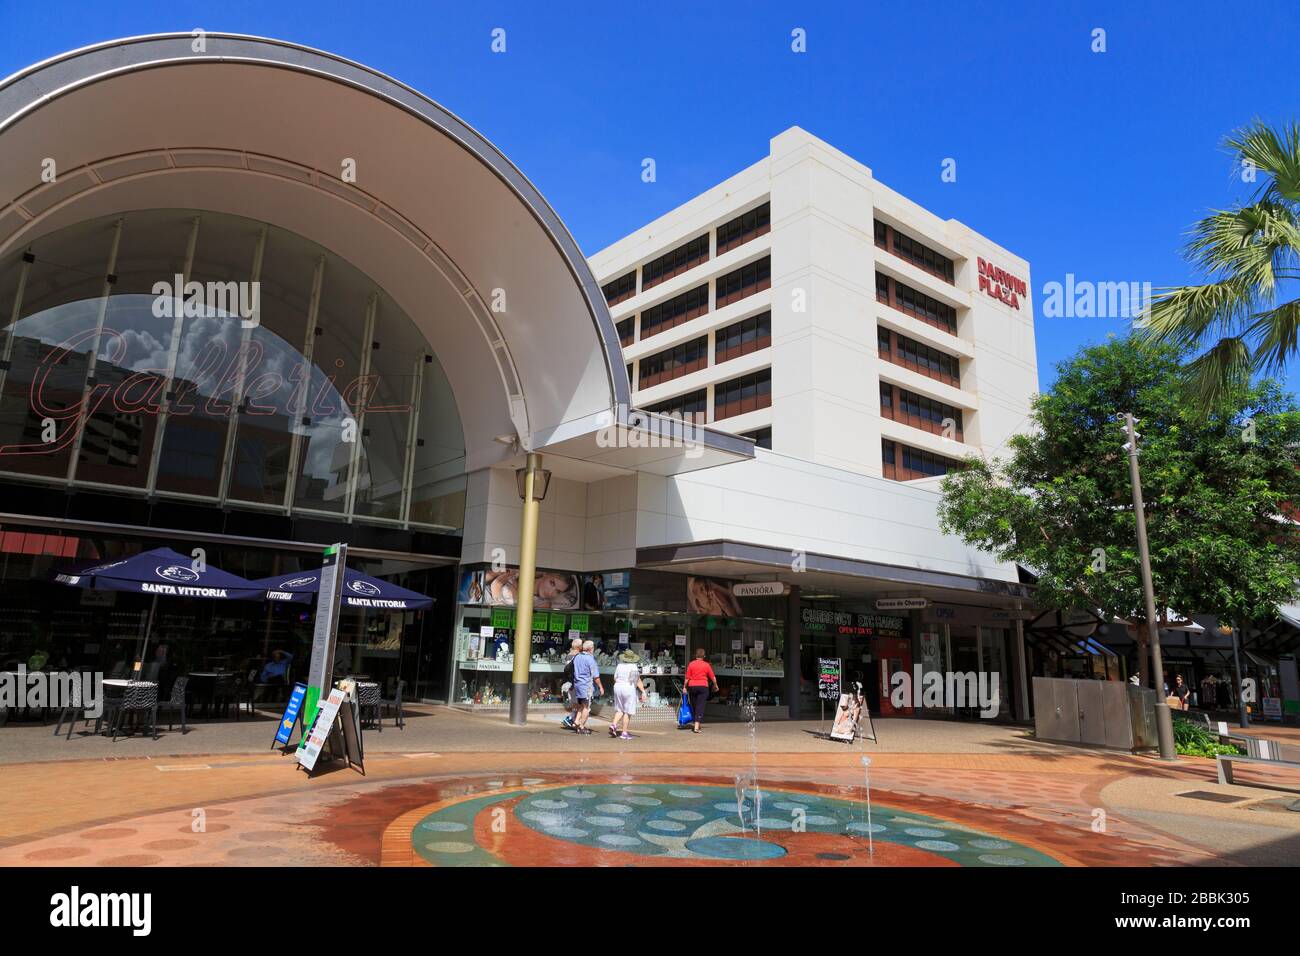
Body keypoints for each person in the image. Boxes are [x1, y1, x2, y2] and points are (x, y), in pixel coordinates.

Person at [609, 649, 646, 740]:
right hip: (628, 688)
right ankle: (624, 733)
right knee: (627, 711)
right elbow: (637, 680)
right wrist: (643, 691)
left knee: (620, 709)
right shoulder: (633, 666)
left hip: (617, 687)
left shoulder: (619, 665)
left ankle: (614, 725)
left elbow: (615, 678)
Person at [571, 640, 603, 735]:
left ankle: (576, 721)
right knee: (587, 707)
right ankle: (581, 726)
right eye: (593, 648)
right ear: (590, 649)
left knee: (582, 705)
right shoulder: (590, 659)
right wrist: (601, 687)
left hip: (577, 684)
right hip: (586, 686)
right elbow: (596, 676)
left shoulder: (577, 657)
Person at [684, 648, 719, 734]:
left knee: (695, 705)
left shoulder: (691, 664)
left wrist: (684, 687)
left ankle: (697, 723)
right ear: (704, 656)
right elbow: (712, 677)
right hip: (703, 687)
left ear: (695, 655)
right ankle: (696, 726)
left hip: (692, 686)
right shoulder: (706, 665)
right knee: (700, 706)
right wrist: (715, 685)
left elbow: (687, 678)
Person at [560, 637, 582, 730]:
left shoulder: (569, 655)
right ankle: (570, 719)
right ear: (578, 647)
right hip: (574, 682)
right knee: (578, 703)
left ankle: (572, 719)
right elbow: (575, 671)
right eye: (581, 645)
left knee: (574, 702)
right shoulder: (577, 656)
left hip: (568, 682)